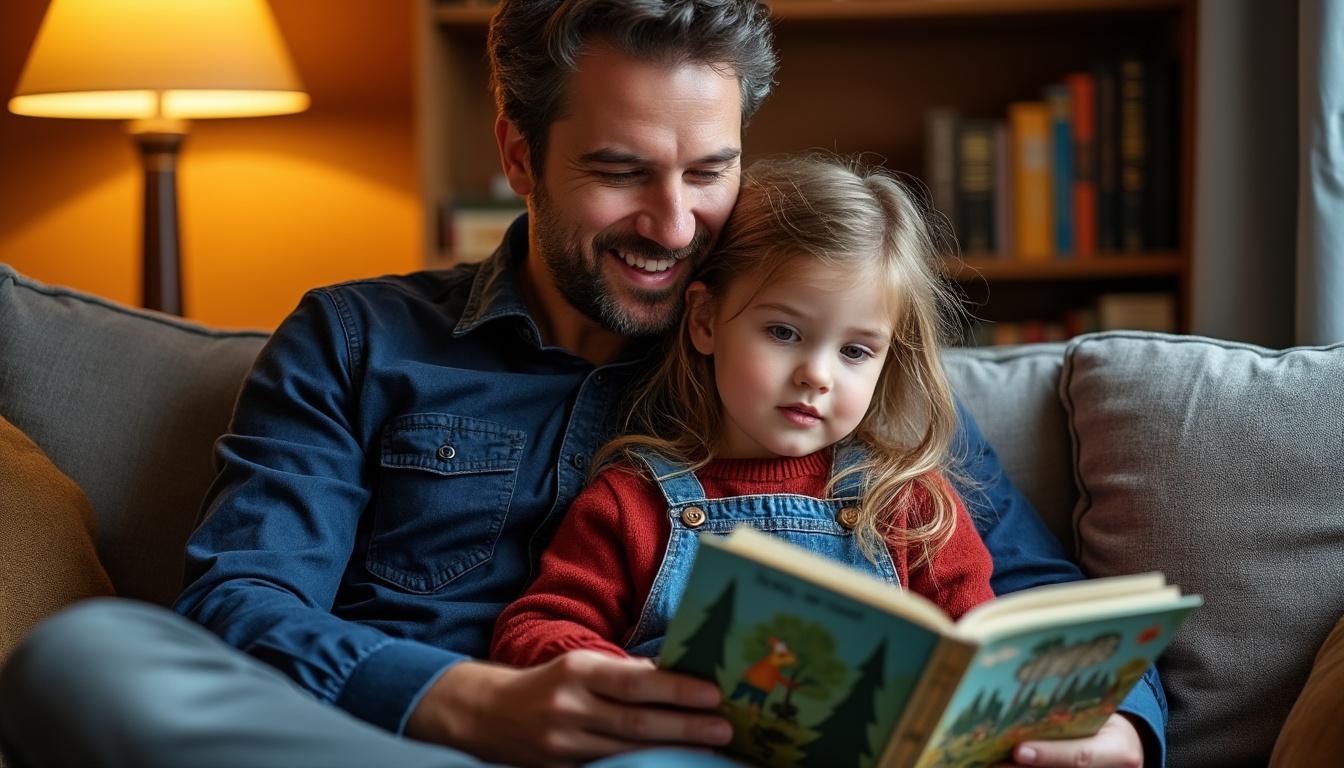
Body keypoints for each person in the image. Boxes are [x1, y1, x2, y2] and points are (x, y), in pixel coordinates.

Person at [0, 2, 1165, 767]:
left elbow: (1039, 599)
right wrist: (463, 700)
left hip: (670, 761)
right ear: (518, 153)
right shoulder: (358, 340)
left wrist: (1117, 729)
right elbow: (238, 604)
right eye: (620, 173)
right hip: (383, 744)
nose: (672, 225)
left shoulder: (820, 369)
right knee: (83, 657)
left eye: (710, 171)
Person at [491, 155, 996, 673]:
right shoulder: (633, 502)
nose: (816, 376)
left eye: (855, 352)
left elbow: (980, 647)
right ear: (706, 320)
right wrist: (611, 676)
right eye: (783, 332)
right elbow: (539, 626)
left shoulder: (910, 503)